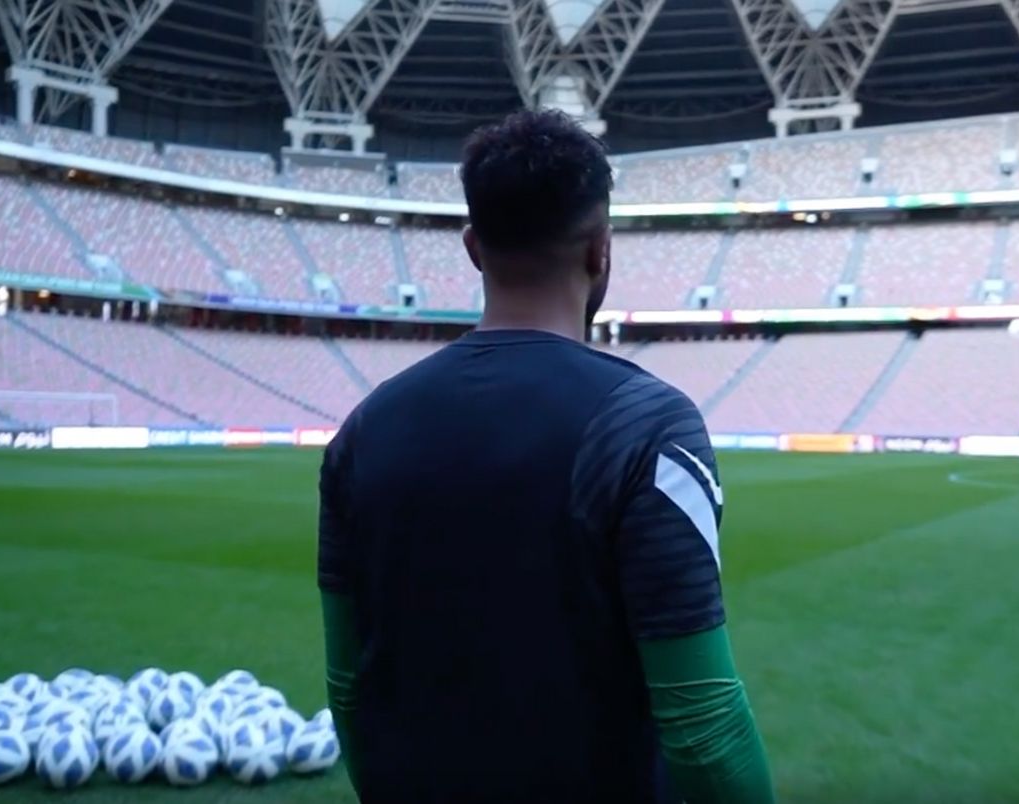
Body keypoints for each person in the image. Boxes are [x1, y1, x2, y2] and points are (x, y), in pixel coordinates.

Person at [317, 108, 775, 804]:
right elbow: (703, 725)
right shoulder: (647, 426)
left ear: (472, 247)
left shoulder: (362, 432)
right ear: (601, 250)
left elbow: (350, 689)